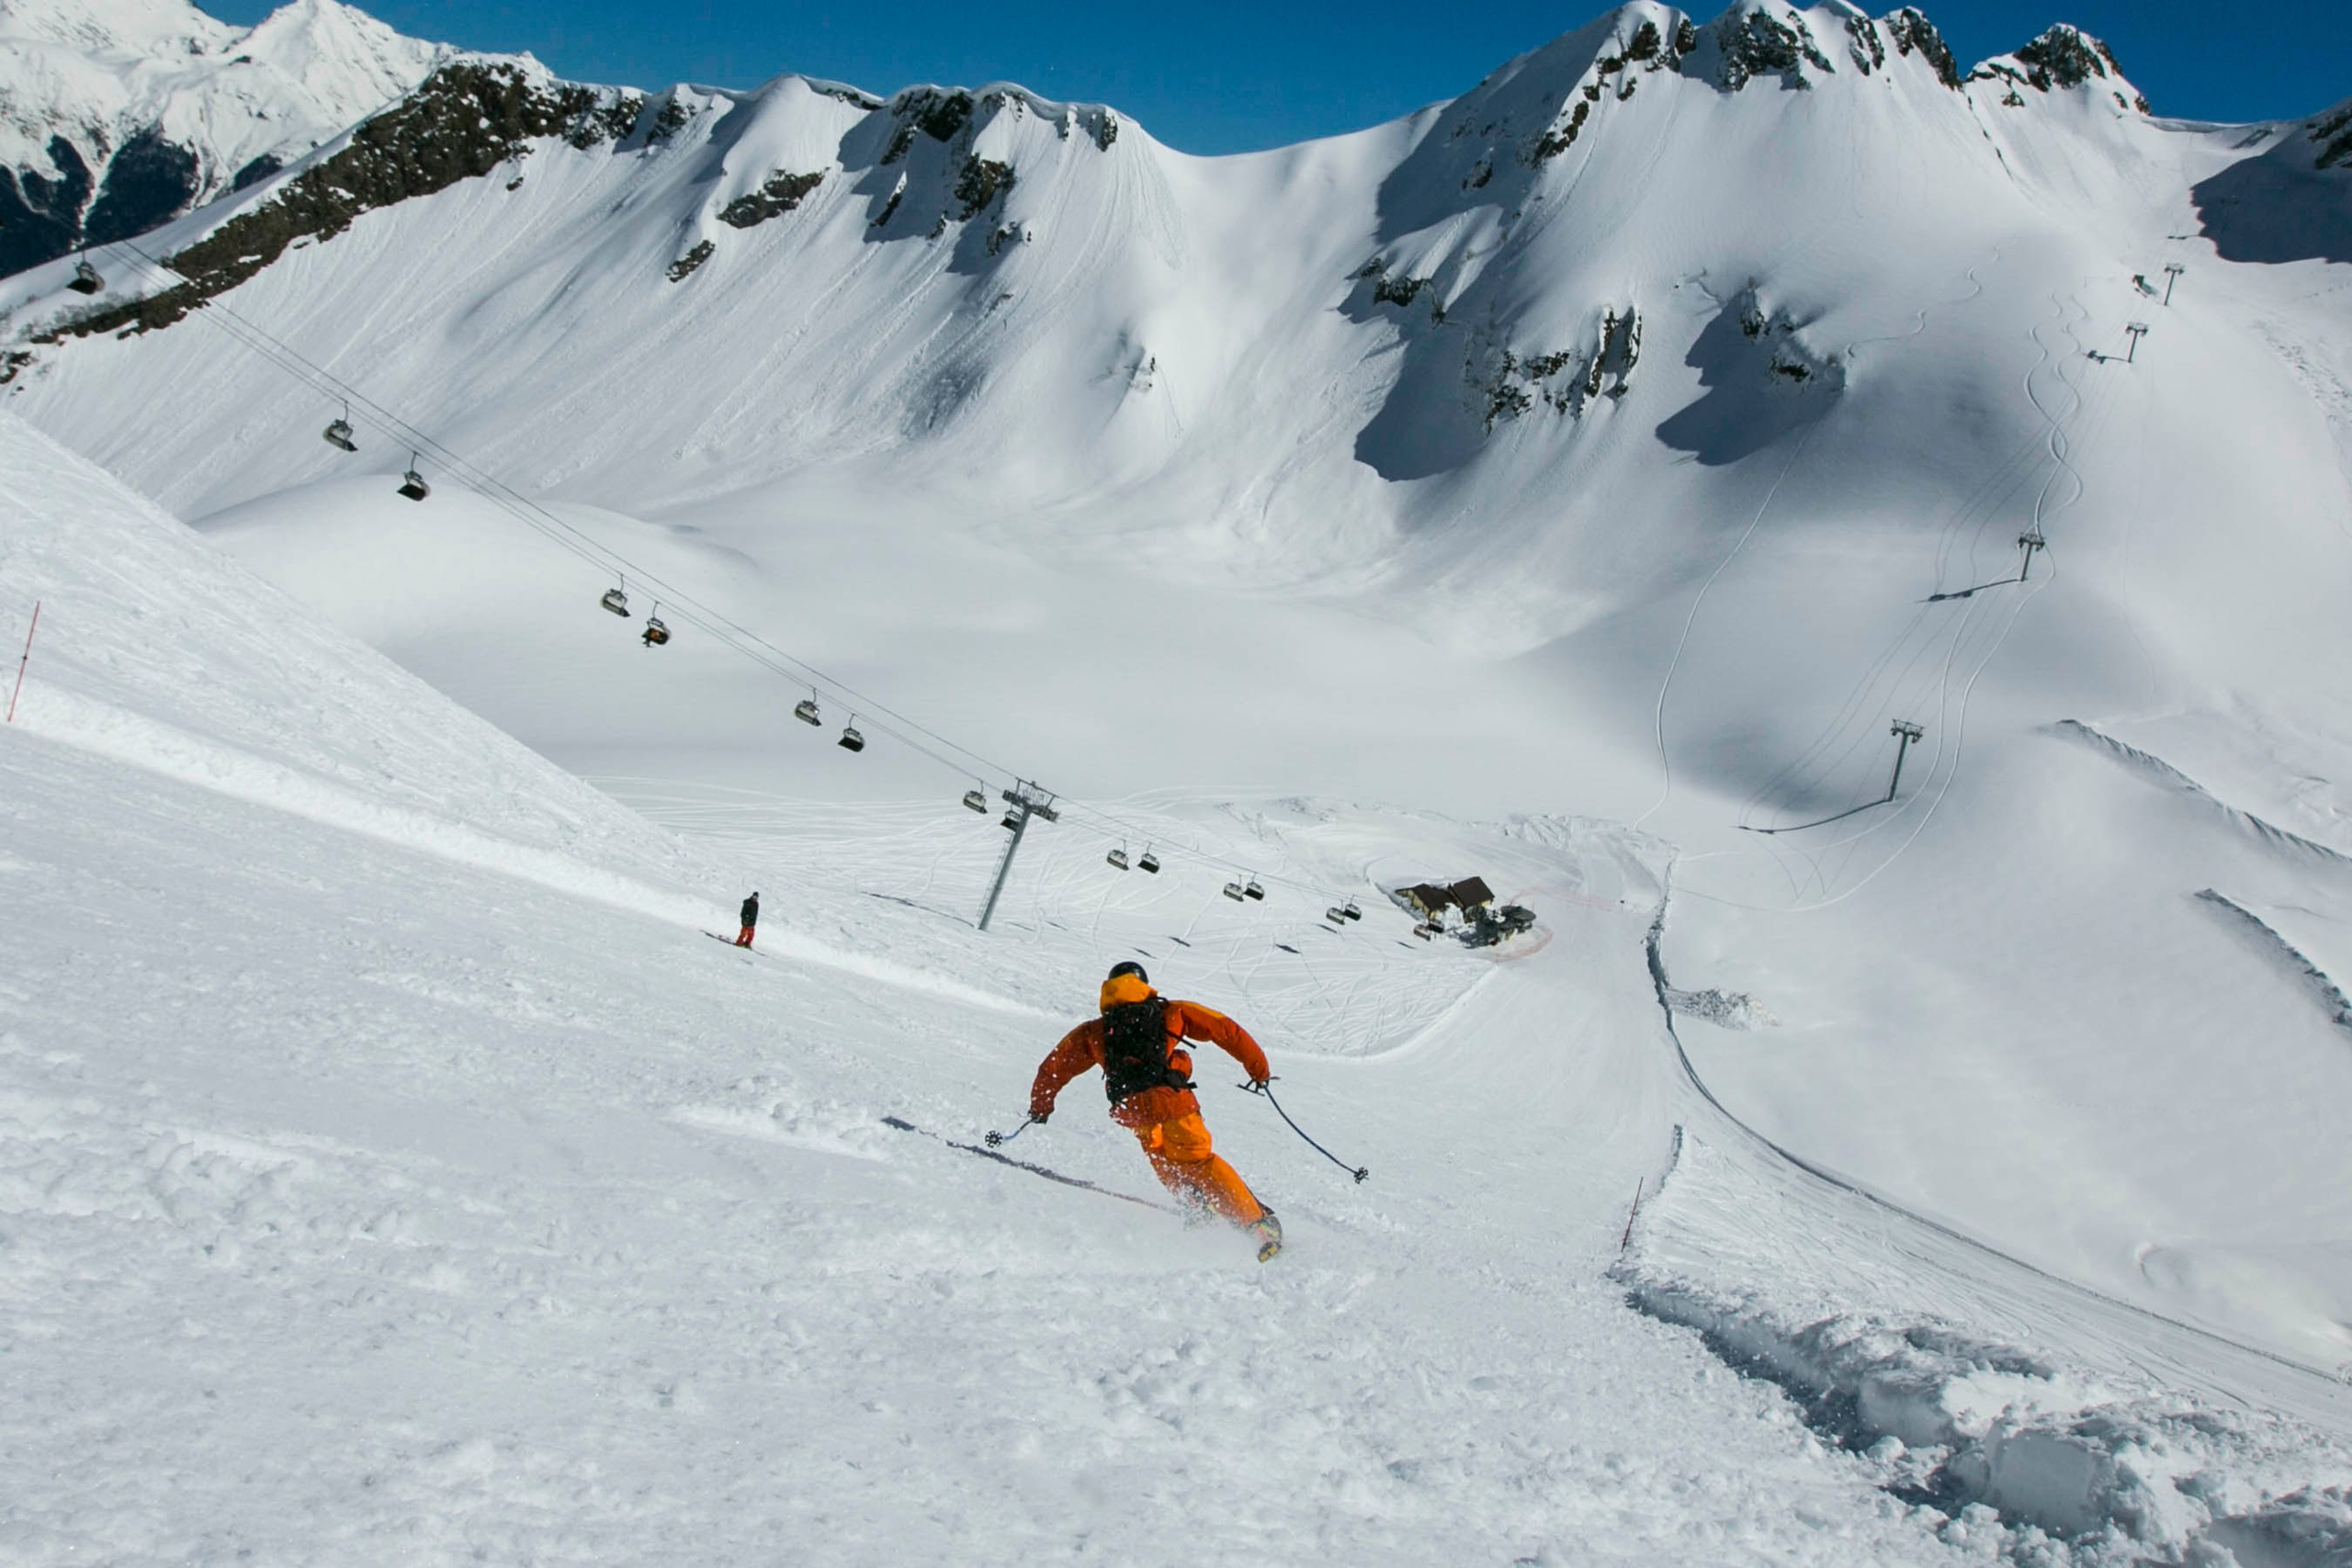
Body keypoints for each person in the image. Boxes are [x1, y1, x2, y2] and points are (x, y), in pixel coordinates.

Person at [1025, 962, 1282, 1258]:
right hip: (1171, 1099)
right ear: (1145, 985)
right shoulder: (1170, 1011)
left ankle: (1196, 1207)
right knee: (1198, 1161)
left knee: (1163, 1158)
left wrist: (1040, 1107)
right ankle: (1257, 1226)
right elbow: (1226, 1029)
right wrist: (1259, 1070)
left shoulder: (1095, 1030)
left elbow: (1053, 1068)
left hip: (1131, 1108)